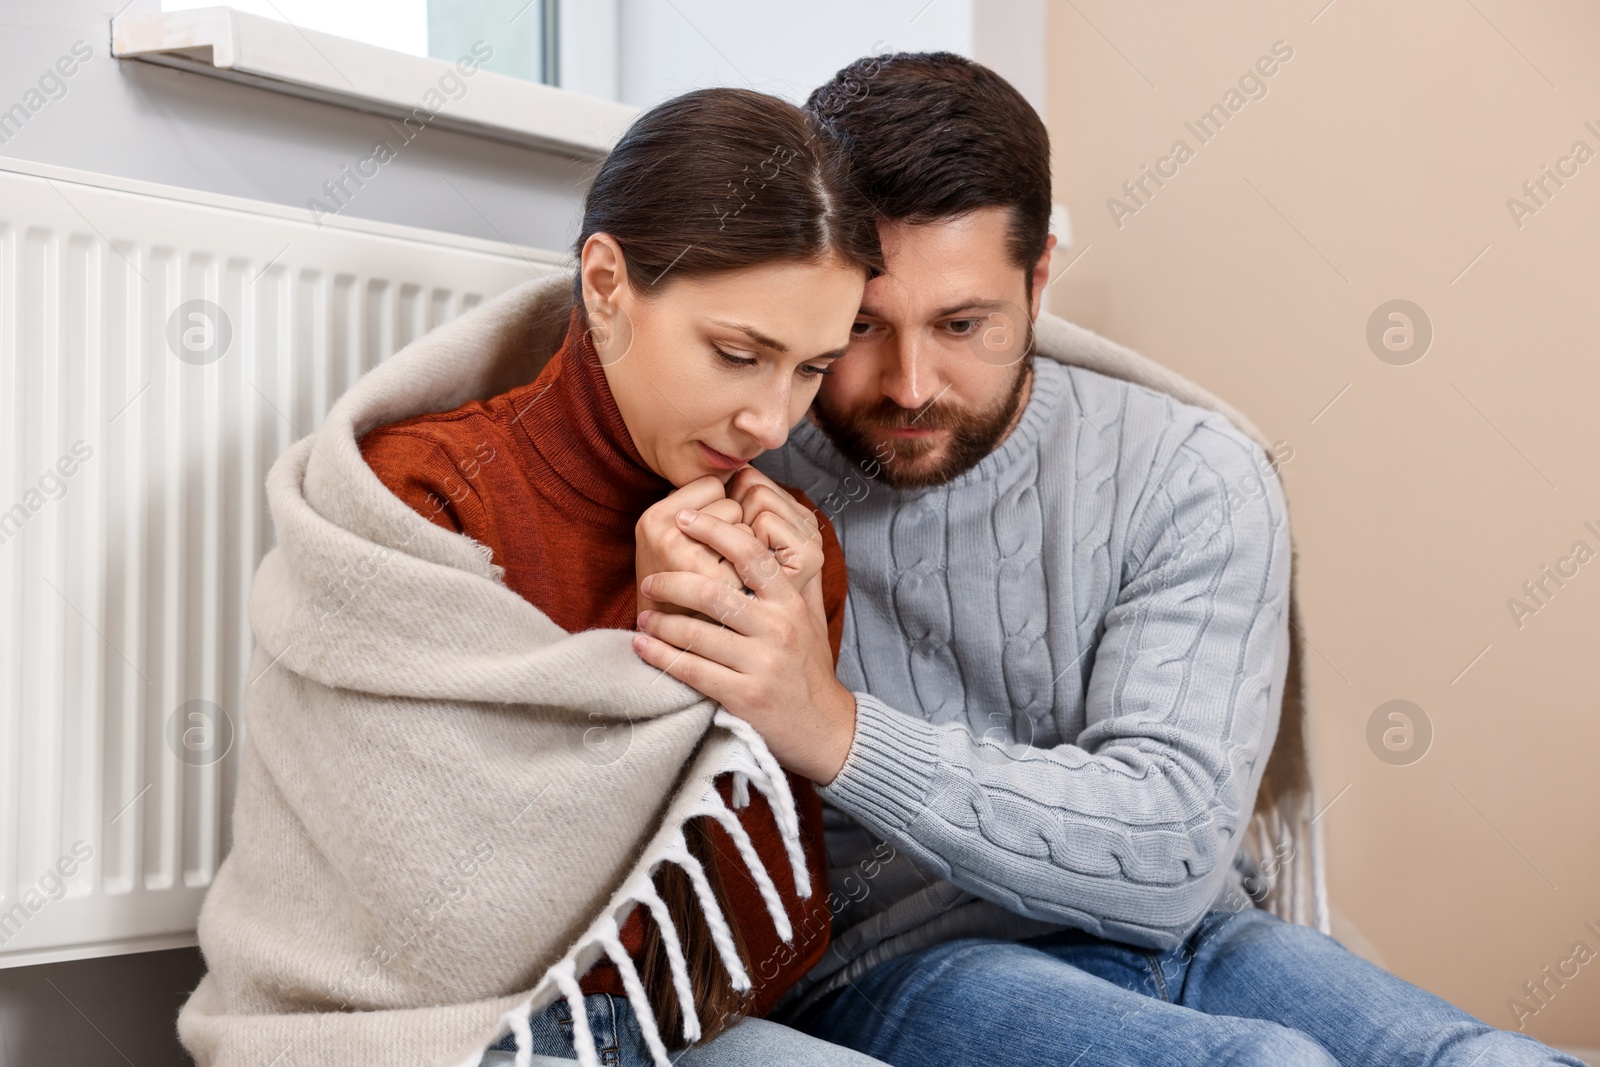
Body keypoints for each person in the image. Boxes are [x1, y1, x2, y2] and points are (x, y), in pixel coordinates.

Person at [629, 53, 1588, 1066]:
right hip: (900, 956)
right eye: (862, 327)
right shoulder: (737, 463)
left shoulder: (1187, 473)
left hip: (1189, 927)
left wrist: (837, 730)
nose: (910, 384)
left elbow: (1171, 849)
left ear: (1038, 278)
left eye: (963, 325)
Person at [358, 87, 890, 1066]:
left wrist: (786, 690)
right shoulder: (432, 491)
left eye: (810, 369)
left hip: (664, 1028)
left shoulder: (781, 548)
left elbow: (761, 959)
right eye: (738, 353)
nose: (772, 424)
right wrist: (644, 657)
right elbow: (438, 921)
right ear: (606, 286)